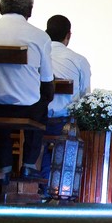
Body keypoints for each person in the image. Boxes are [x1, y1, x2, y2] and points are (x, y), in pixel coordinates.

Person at [0, 0, 54, 181]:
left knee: (1, 109)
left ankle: (4, 166)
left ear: (0, 7)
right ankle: (28, 165)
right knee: (42, 102)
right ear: (30, 11)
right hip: (25, 109)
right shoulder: (40, 37)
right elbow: (47, 80)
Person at [40, 15, 91, 187]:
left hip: (36, 118)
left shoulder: (38, 54)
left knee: (38, 136)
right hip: (63, 123)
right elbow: (85, 97)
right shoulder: (79, 60)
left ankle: (41, 181)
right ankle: (60, 185)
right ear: (68, 35)